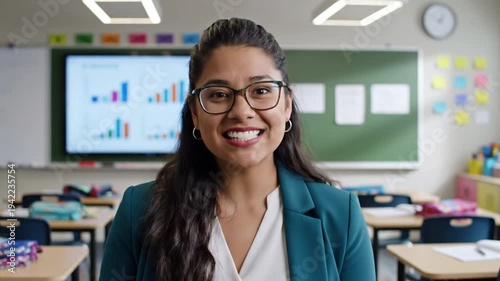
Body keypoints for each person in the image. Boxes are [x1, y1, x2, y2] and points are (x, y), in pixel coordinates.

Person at [99, 18, 375, 281]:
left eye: (261, 91)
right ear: (195, 112)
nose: (242, 112)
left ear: (287, 104)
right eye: (218, 94)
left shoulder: (340, 214)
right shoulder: (140, 209)